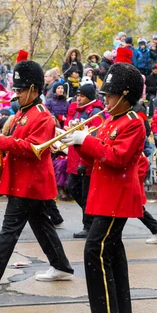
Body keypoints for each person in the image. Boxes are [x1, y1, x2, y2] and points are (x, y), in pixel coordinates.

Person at [0, 60, 74, 287]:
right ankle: (61, 266)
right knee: (42, 226)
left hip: (30, 182)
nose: (16, 94)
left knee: (9, 228)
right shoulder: (24, 112)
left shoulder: (42, 115)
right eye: (15, 89)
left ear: (34, 89)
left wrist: (3, 142)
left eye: (20, 90)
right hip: (24, 179)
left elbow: (35, 148)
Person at [61, 62, 145, 313]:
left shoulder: (134, 123)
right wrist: (76, 144)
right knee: (112, 252)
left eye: (110, 94)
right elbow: (97, 158)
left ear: (124, 95)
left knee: (95, 250)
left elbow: (117, 157)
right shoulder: (112, 121)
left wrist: (86, 140)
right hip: (107, 193)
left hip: (117, 195)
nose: (106, 99)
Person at [65, 83, 105, 239]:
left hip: (85, 159)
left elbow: (93, 136)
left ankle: (89, 225)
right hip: (75, 157)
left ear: (89, 97)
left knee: (86, 195)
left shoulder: (94, 113)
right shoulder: (78, 112)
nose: (78, 98)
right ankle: (94, 218)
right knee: (73, 188)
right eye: (78, 95)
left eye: (81, 96)